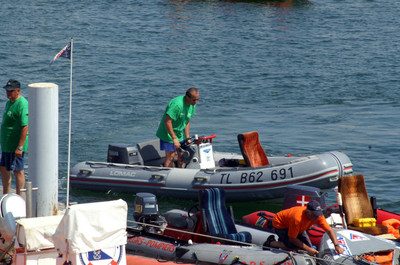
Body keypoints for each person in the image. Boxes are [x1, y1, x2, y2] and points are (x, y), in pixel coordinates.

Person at [266, 200, 344, 256]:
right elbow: (292, 238)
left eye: (317, 215)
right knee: (294, 247)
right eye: (314, 215)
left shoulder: (318, 217)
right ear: (307, 212)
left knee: (308, 247)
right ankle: (272, 243)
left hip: (299, 228)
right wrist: (308, 249)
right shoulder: (297, 218)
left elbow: (329, 230)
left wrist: (336, 245)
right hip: (280, 224)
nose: (316, 217)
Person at [156, 87, 199, 167]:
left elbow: (186, 121)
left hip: (179, 132)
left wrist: (187, 138)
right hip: (168, 132)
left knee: (183, 155)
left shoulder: (192, 105)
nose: (196, 102)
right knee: (171, 156)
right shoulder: (177, 105)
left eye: (197, 99)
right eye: (194, 100)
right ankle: (168, 175)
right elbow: (167, 121)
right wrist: (174, 138)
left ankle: (181, 173)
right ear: (187, 97)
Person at [0, 79, 29, 195]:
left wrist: (20, 147)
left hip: (15, 145)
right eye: (7, 90)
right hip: (6, 144)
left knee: (18, 170)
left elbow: (25, 126)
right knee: (3, 168)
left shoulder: (22, 104)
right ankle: (5, 195)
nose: (8, 93)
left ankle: (19, 196)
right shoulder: (9, 102)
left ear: (18, 91)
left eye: (11, 91)